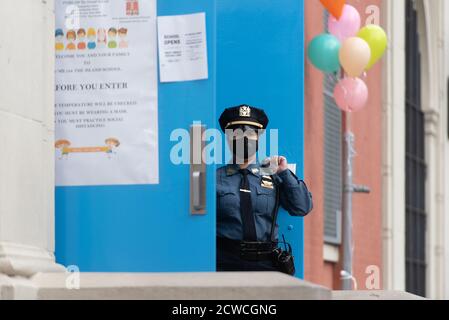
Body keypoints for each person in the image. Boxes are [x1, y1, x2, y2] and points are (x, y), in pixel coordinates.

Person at [216, 104, 313, 272]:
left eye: (250, 133)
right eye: (237, 133)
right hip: (225, 264)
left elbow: (302, 207)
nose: (244, 138)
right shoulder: (215, 179)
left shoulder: (273, 176)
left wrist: (284, 172)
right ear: (228, 138)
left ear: (259, 137)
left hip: (266, 265)